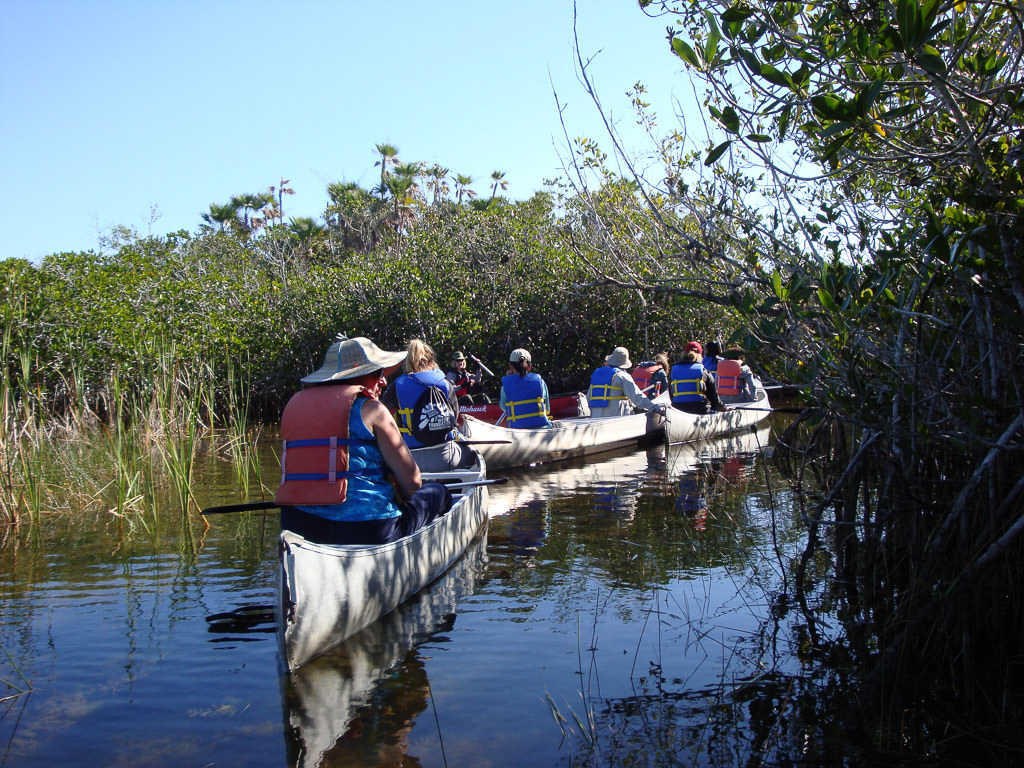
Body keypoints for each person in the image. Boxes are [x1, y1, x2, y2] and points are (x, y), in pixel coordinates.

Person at [275, 335, 453, 545]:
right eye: (379, 373)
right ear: (361, 375)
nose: (384, 381)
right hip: (368, 529)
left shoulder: (294, 406)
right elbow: (413, 482)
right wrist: (402, 495)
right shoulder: (373, 409)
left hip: (298, 524)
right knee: (439, 492)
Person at [381, 339, 476, 471]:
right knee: (472, 453)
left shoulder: (397, 385)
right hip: (446, 456)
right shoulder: (445, 383)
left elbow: (382, 410)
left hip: (412, 460)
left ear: (407, 363)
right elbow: (455, 414)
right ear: (432, 363)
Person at [587, 346, 667, 418]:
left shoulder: (596, 373)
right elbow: (637, 397)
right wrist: (654, 407)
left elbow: (588, 397)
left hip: (595, 418)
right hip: (615, 420)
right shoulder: (622, 376)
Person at [669, 341, 729, 415]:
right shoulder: (703, 371)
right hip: (700, 410)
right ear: (699, 355)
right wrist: (725, 409)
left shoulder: (673, 370)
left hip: (678, 410)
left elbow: (671, 395)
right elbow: (715, 400)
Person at [499, 348, 553, 428]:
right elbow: (547, 409)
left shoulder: (505, 387)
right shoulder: (541, 382)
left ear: (511, 366)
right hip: (542, 428)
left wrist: (510, 380)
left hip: (516, 430)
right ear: (529, 366)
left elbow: (503, 407)